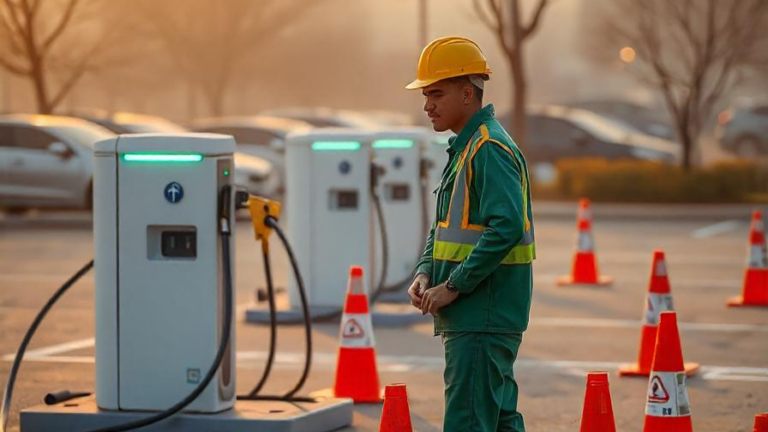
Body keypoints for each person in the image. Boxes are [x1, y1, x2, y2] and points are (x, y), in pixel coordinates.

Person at [405, 36, 535, 432]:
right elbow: (444, 225)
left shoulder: (488, 147)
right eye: (426, 95)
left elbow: (506, 227)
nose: (427, 104)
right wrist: (426, 271)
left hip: (482, 314)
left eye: (436, 94)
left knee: (468, 422)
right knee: (499, 421)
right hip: (479, 314)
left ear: (467, 93)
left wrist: (454, 286)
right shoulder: (465, 147)